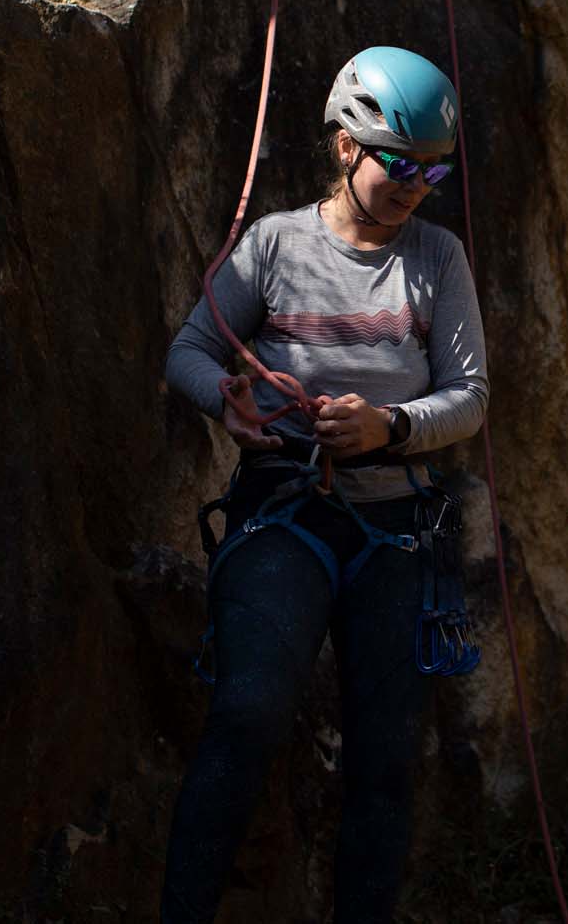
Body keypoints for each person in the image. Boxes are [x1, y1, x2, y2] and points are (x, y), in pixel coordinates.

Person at [159, 46, 488, 924]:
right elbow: (189, 351)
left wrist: (391, 427)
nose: (419, 184)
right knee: (248, 712)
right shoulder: (272, 244)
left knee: (384, 760)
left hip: (395, 526)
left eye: (435, 169)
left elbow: (470, 396)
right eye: (403, 164)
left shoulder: (437, 258)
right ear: (346, 147)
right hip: (285, 510)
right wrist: (226, 406)